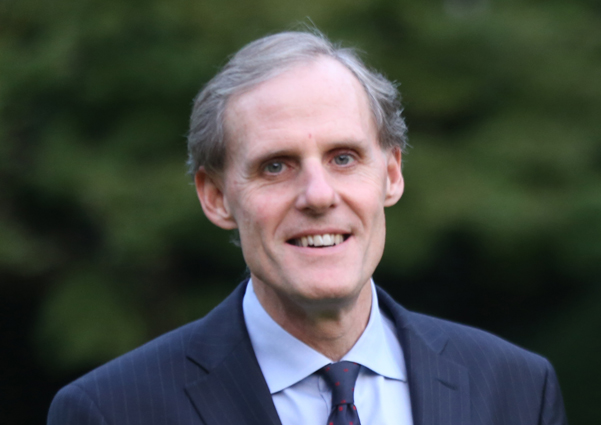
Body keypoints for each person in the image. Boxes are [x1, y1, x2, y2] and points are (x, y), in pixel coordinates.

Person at [48, 30, 568, 425]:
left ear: (391, 175)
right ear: (216, 196)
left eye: (343, 158)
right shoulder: (110, 411)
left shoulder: (518, 390)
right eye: (276, 166)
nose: (318, 196)